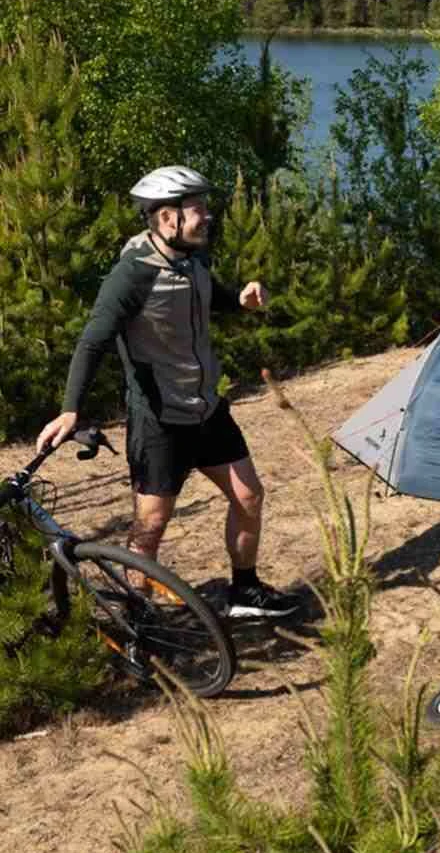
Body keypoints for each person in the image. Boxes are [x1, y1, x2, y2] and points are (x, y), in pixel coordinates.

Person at [36, 165, 298, 618]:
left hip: (207, 410)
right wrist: (70, 409)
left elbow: (208, 295)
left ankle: (244, 591)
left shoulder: (193, 258)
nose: (207, 216)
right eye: (197, 209)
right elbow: (93, 340)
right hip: (160, 422)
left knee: (249, 496)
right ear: (166, 218)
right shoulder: (132, 275)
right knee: (151, 526)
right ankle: (139, 619)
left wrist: (240, 301)